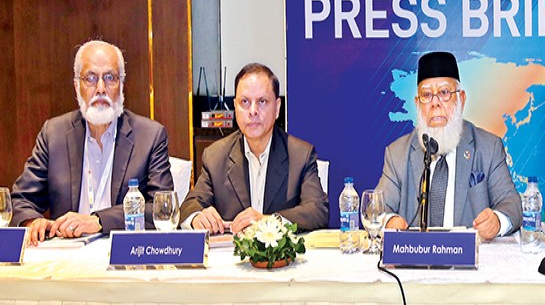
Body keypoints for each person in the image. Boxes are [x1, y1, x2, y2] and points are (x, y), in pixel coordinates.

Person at [11, 40, 174, 244]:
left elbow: (161, 209)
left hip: (122, 253)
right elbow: (21, 200)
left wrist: (99, 220)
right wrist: (32, 221)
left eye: (110, 78)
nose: (100, 89)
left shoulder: (150, 136)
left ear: (121, 85)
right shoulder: (54, 134)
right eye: (90, 78)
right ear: (76, 86)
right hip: (66, 254)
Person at [377, 51, 522, 240]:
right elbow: (377, 208)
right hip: (414, 264)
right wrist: (389, 221)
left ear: (461, 99)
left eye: (444, 93)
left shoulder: (488, 147)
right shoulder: (397, 153)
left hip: (470, 263)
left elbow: (512, 204)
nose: (435, 103)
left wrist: (497, 220)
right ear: (417, 104)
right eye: (427, 95)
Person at [180, 63, 328, 234]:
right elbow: (190, 205)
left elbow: (317, 210)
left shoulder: (300, 154)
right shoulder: (215, 156)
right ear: (235, 107)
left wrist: (269, 221)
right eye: (245, 102)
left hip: (283, 259)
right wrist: (197, 216)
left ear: (277, 107)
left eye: (262, 101)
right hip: (232, 258)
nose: (253, 111)